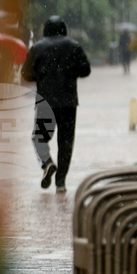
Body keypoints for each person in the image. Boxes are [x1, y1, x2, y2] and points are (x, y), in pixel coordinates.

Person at [22, 17, 91, 193]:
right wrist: (69, 72)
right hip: (68, 102)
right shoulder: (74, 46)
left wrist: (42, 75)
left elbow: (26, 74)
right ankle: (61, 182)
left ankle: (47, 163)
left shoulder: (37, 47)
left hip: (45, 102)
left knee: (39, 137)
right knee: (66, 142)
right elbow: (86, 70)